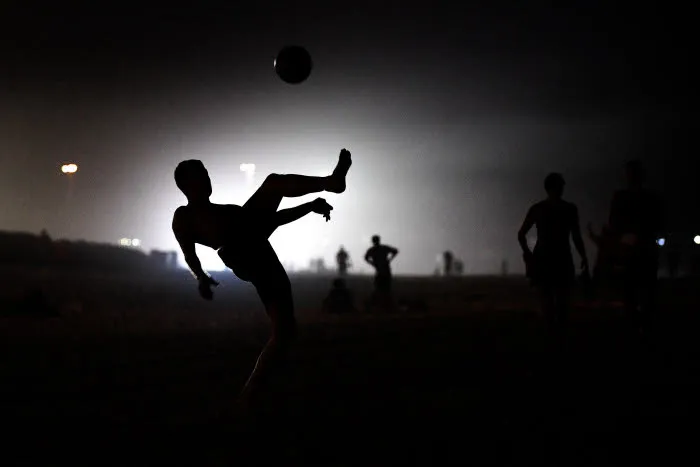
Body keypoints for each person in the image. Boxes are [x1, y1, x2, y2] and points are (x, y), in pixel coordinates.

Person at [171, 148, 352, 407]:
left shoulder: (232, 212)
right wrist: (201, 277)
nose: (207, 180)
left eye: (207, 174)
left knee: (285, 330)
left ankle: (252, 394)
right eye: (201, 176)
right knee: (273, 183)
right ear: (186, 185)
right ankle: (331, 183)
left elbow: (273, 220)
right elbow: (189, 254)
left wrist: (310, 206)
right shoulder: (184, 216)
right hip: (241, 252)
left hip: (259, 254)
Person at [518, 173, 588, 336]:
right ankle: (559, 337)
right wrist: (583, 256)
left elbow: (521, 234)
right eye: (560, 186)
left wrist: (528, 253)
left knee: (547, 301)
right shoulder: (569, 209)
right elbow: (576, 236)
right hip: (561, 257)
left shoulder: (538, 209)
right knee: (561, 302)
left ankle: (552, 337)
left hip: (543, 257)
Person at [607, 159, 664, 333]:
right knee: (637, 289)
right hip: (639, 248)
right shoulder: (649, 198)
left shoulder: (622, 197)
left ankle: (637, 323)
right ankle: (640, 323)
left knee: (633, 289)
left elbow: (614, 223)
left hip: (634, 248)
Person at [364, 235, 399, 307]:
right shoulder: (383, 248)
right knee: (385, 287)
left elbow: (366, 258)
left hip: (381, 270)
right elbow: (395, 251)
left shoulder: (372, 249)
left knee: (379, 287)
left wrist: (373, 264)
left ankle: (381, 303)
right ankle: (385, 304)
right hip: (384, 269)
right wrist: (390, 259)